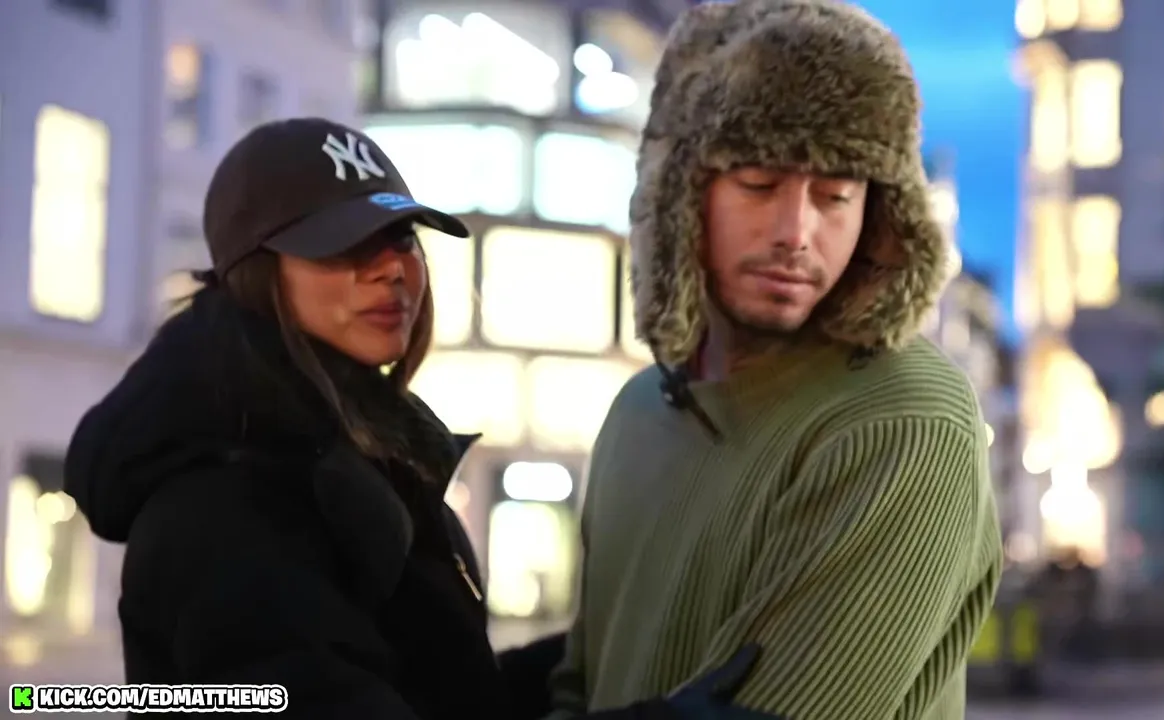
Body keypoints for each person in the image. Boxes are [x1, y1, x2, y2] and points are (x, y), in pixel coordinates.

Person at [63, 118, 776, 719]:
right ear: (257, 271)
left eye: (402, 236)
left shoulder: (348, 450)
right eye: (342, 244)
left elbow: (441, 694)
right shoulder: (225, 504)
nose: (391, 269)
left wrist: (607, 648)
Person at [547, 1, 1004, 718]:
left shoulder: (905, 417)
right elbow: (580, 683)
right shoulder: (639, 411)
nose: (796, 231)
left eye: (835, 195)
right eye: (758, 184)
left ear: (879, 214)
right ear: (682, 196)